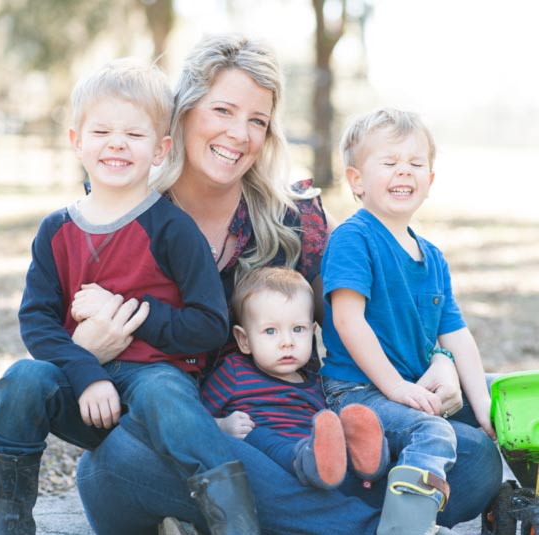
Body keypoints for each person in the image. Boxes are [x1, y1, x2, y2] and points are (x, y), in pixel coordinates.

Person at [70, 35, 502, 535]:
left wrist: (441, 360)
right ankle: (367, 525)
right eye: (223, 110)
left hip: (306, 430)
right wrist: (84, 351)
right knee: (123, 457)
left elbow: (365, 317)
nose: (238, 134)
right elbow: (68, 352)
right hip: (199, 441)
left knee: (472, 457)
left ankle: (290, 515)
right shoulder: (121, 215)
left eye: (257, 120)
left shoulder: (296, 220)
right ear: (183, 112)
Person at [0, 58, 263, 535]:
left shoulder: (172, 228)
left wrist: (127, 315)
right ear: (76, 142)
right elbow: (37, 323)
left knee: (168, 395)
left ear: (160, 149)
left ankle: (236, 523)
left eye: (134, 134)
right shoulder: (56, 231)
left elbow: (209, 324)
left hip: (156, 381)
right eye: (102, 131)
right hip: (82, 385)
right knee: (23, 379)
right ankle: (8, 520)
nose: (116, 143)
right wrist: (87, 375)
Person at [320, 107, 498, 535]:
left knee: (505, 400)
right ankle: (408, 526)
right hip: (359, 390)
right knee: (432, 432)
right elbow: (349, 321)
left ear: (430, 181)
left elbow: (456, 336)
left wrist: (487, 408)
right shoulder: (354, 237)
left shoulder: (432, 257)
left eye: (416, 164)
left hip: (412, 384)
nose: (405, 172)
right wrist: (394, 386)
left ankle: (510, 505)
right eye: (390, 162)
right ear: (356, 180)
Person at [202, 266, 390, 491]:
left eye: (298, 329)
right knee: (257, 434)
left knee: (336, 428)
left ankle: (370, 464)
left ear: (312, 332)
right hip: (271, 466)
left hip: (325, 467)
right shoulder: (233, 372)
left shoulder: (319, 384)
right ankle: (309, 460)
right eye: (271, 331)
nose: (287, 342)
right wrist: (222, 425)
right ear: (244, 340)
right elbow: (196, 418)